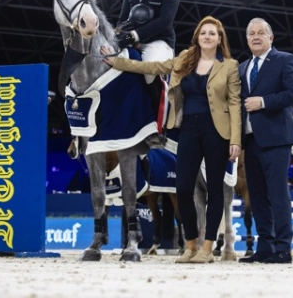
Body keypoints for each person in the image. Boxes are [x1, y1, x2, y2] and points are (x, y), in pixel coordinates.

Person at [100, 16, 241, 264]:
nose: (207, 36)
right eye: (203, 32)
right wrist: (117, 62)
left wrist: (236, 140)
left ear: (220, 40)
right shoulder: (185, 58)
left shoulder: (229, 66)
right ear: (197, 36)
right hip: (188, 129)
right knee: (183, 189)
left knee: (215, 191)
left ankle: (207, 249)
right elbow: (152, 68)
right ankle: (189, 245)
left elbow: (234, 104)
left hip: (217, 132)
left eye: (212, 33)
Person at [238, 18, 293, 264]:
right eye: (251, 33)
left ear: (271, 37)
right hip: (250, 140)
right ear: (247, 39)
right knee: (256, 196)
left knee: (278, 194)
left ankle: (283, 249)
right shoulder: (242, 66)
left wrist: (262, 102)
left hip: (276, 139)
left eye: (261, 33)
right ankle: (264, 246)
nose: (256, 37)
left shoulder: (286, 60)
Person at [115, 0, 181, 141]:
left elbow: (165, 21)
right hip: (133, 40)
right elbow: (123, 18)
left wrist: (134, 35)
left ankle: (155, 127)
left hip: (159, 42)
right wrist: (119, 32)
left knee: (149, 72)